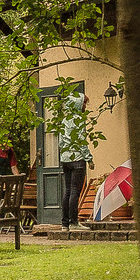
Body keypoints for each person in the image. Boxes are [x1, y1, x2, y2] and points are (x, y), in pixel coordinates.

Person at [54, 90, 91, 228]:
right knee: (75, 191)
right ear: (78, 105)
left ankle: (65, 224)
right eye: (84, 104)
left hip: (65, 160)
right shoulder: (79, 120)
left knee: (68, 191)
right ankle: (74, 222)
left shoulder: (64, 120)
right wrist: (89, 158)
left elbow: (61, 142)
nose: (85, 107)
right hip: (77, 159)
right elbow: (81, 141)